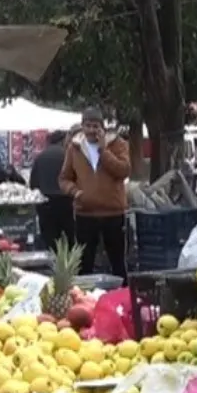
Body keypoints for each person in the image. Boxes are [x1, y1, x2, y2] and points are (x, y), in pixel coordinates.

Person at [60, 107, 130, 277]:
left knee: (117, 262)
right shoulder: (74, 148)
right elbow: (64, 178)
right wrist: (74, 191)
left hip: (113, 212)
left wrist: (103, 151)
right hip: (85, 213)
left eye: (95, 126)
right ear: (82, 127)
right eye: (88, 125)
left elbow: (124, 170)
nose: (91, 130)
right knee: (85, 264)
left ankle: (121, 296)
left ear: (102, 127)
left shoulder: (118, 144)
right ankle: (86, 298)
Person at [30, 131, 74, 249]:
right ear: (63, 140)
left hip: (45, 203)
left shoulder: (40, 157)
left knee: (49, 239)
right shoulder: (68, 155)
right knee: (71, 237)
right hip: (66, 201)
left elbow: (33, 183)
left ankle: (51, 264)